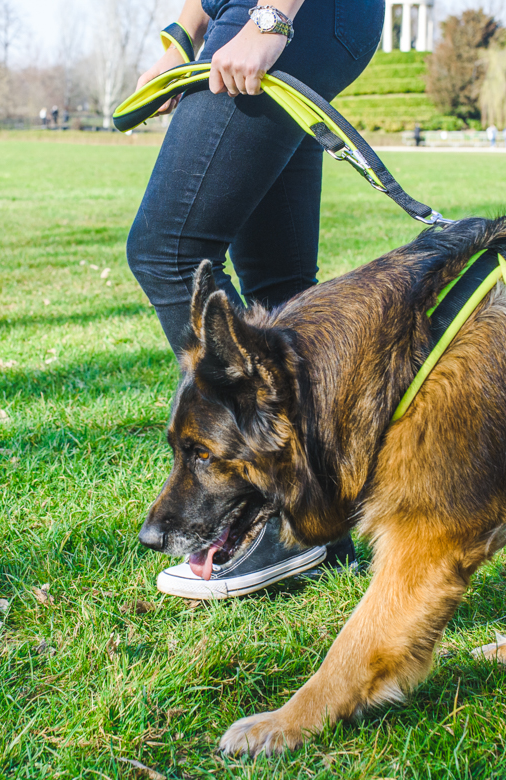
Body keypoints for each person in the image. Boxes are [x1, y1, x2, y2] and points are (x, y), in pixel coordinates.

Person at [127, 0, 383, 599]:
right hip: (268, 16)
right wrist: (177, 39)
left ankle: (278, 509)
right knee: (279, 282)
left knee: (167, 249)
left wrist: (270, 20)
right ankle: (320, 522)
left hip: (290, 14)